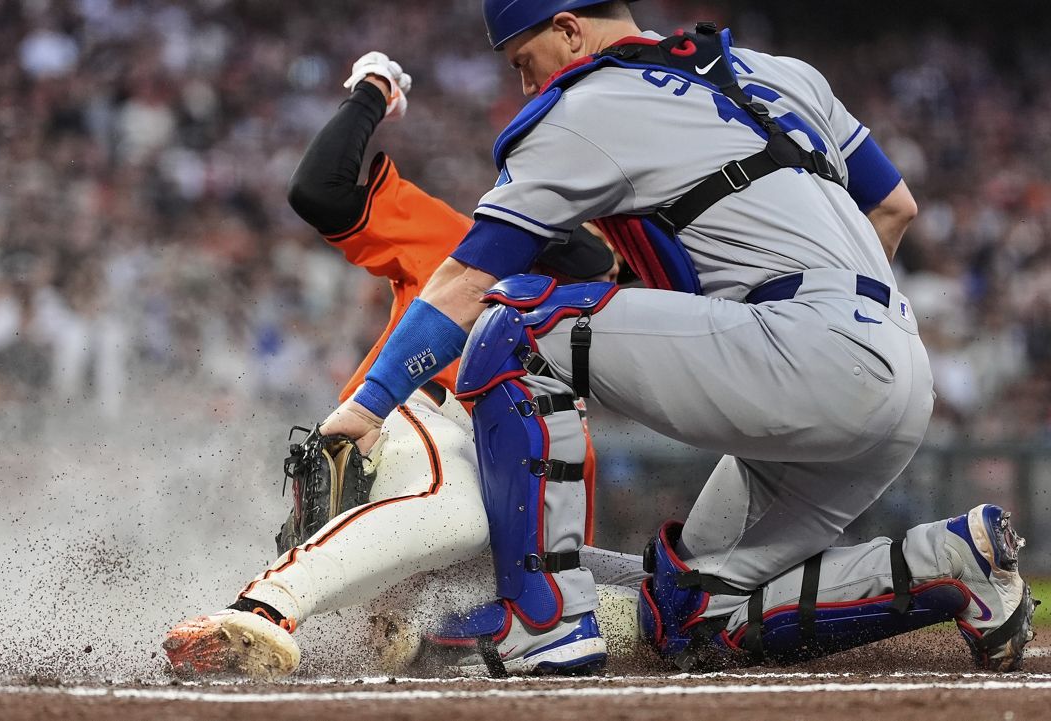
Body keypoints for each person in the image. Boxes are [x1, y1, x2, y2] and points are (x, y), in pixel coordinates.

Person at [318, 0, 1037, 673]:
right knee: (690, 615)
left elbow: (469, 286)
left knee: (516, 325)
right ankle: (950, 562)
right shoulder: (780, 73)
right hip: (897, 364)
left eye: (522, 58)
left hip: (806, 345)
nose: (523, 79)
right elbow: (895, 207)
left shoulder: (585, 106)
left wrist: (368, 404)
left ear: (570, 31)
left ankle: (542, 619)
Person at [162, 52, 640, 678]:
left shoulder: (627, 319)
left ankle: (418, 637)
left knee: (642, 597)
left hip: (468, 537)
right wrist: (371, 92)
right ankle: (261, 608)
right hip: (409, 425)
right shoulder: (475, 246)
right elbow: (319, 191)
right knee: (460, 510)